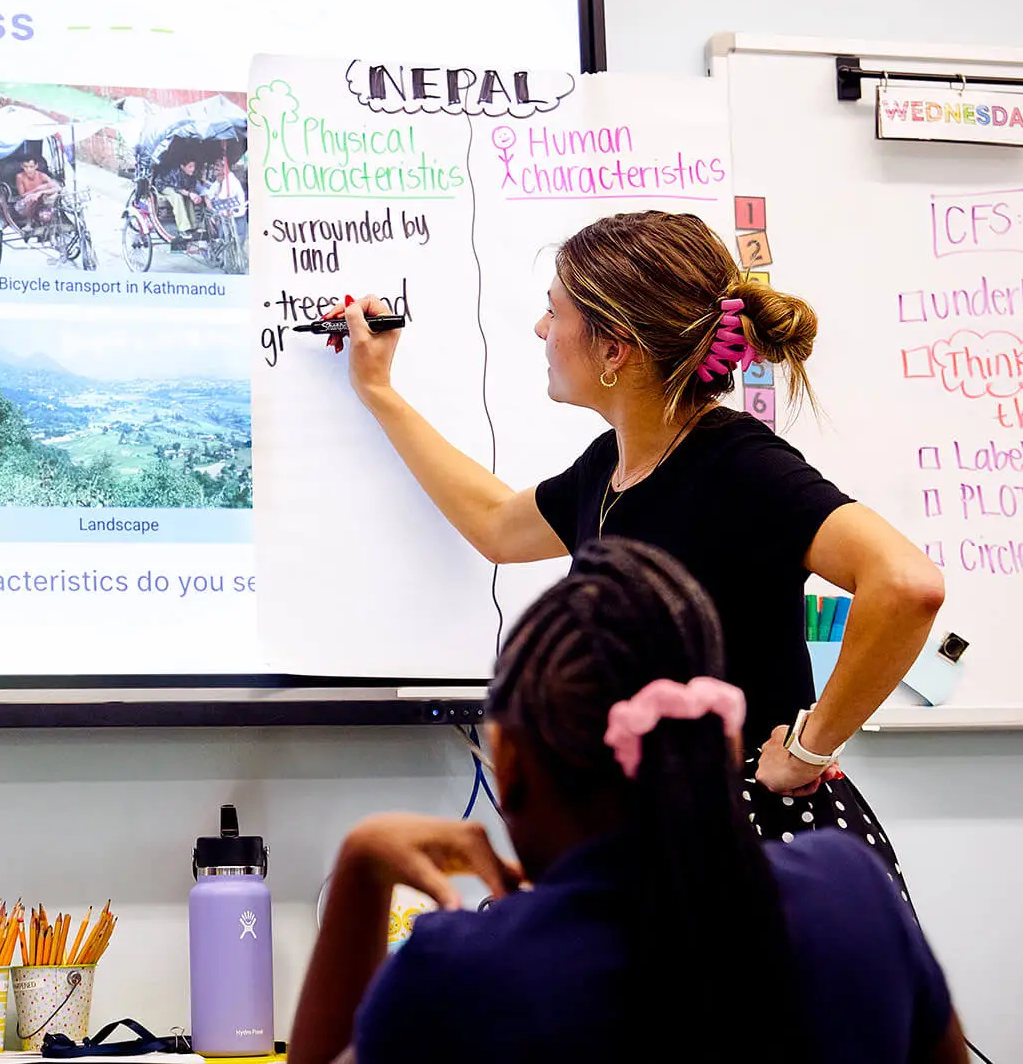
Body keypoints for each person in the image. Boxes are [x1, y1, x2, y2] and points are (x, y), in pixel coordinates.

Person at [335, 210, 944, 864]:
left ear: (613, 348)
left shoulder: (739, 465)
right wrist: (379, 392)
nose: (542, 329)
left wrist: (809, 745)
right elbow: (494, 525)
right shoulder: (611, 467)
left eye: (555, 312)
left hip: (750, 853)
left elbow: (907, 584)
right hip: (660, 839)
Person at [287, 539, 967, 1064]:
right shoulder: (852, 894)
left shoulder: (463, 976)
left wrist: (360, 869)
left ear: (511, 761)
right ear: (721, 745)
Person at [158, 156, 202, 238]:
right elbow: (177, 189)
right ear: (182, 166)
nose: (192, 169)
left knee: (189, 198)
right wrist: (190, 194)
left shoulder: (192, 174)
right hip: (166, 186)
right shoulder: (176, 172)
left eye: (194, 166)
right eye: (190, 166)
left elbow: (191, 187)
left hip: (180, 189)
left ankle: (193, 226)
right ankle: (183, 228)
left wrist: (194, 196)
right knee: (177, 197)